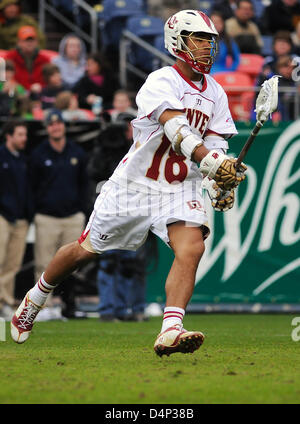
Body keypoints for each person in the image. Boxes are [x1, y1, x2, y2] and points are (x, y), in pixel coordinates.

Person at [11, 10, 247, 356]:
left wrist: (219, 177)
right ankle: (36, 297)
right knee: (83, 251)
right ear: (178, 42)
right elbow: (175, 129)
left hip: (178, 187)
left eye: (210, 42)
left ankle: (170, 329)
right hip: (135, 185)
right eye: (198, 40)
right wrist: (210, 161)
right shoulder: (160, 81)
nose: (206, 49)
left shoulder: (216, 92)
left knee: (192, 247)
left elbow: (216, 144)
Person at [28, 109, 89, 319]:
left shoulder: (76, 152)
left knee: (72, 264)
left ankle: (68, 306)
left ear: (63, 126)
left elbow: (84, 185)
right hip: (46, 217)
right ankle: (42, 309)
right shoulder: (38, 154)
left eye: (59, 123)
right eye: (51, 124)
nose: (56, 127)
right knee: (44, 264)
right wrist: (36, 210)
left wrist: (83, 210)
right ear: (47, 128)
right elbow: (32, 187)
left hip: (72, 216)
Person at [87, 113, 147, 322]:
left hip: (135, 211)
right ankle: (108, 310)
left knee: (133, 264)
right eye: (124, 127)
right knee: (109, 261)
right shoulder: (106, 148)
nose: (127, 131)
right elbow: (94, 172)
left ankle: (129, 309)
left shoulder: (143, 147)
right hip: (113, 211)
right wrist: (105, 146)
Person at [0, 120, 33, 320]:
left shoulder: (23, 159)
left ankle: (5, 301)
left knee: (12, 265)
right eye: (20, 134)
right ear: (9, 136)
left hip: (20, 219)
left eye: (25, 135)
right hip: (2, 216)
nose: (24, 139)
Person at [5, 25, 50, 92]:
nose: (29, 43)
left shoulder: (45, 60)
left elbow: (51, 79)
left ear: (37, 42)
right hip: (17, 94)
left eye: (32, 40)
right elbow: (5, 77)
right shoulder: (10, 58)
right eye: (26, 40)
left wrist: (41, 87)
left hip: (39, 94)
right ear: (19, 42)